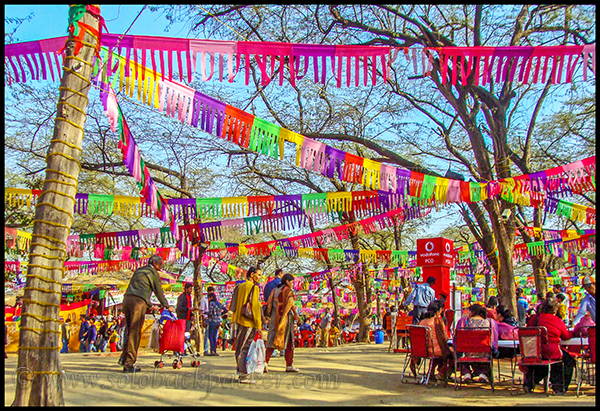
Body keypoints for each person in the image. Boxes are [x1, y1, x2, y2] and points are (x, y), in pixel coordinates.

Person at [120, 254, 175, 373]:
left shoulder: (139, 270)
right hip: (138, 303)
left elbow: (139, 288)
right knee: (135, 333)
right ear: (155, 263)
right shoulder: (152, 273)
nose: (161, 266)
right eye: (160, 264)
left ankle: (124, 358)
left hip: (127, 300)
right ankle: (129, 364)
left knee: (129, 330)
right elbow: (158, 291)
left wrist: (150, 305)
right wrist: (167, 306)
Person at [523, 297, 575, 395]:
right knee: (568, 361)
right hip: (551, 352)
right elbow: (566, 336)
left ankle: (529, 383)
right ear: (555, 309)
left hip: (534, 352)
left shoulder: (534, 318)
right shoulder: (557, 320)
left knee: (542, 364)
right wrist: (574, 332)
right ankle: (560, 386)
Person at [230, 266, 263, 384]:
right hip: (249, 322)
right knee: (245, 348)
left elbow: (232, 305)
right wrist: (259, 324)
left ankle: (241, 373)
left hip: (238, 320)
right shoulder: (254, 287)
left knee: (239, 348)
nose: (259, 277)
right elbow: (255, 307)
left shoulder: (239, 287)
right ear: (252, 274)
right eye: (258, 275)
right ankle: (243, 375)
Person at [265, 273, 301, 372]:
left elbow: (269, 304)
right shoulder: (288, 291)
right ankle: (289, 365)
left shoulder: (274, 290)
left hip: (274, 318)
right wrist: (295, 314)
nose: (293, 284)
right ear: (287, 281)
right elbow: (290, 303)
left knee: (271, 340)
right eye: (292, 282)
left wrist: (268, 315)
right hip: (286, 319)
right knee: (289, 341)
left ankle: (265, 363)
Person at [456, 304, 497, 383]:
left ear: (472, 312)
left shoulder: (465, 322)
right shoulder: (489, 322)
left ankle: (466, 373)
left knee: (461, 353)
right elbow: (493, 339)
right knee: (488, 354)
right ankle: (483, 373)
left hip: (467, 353)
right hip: (484, 352)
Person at [414, 300, 453, 381]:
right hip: (434, 350)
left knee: (437, 355)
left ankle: (430, 373)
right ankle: (442, 373)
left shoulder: (420, 322)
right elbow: (444, 338)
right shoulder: (438, 322)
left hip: (421, 351)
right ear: (438, 312)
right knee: (452, 354)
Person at [206, 291, 225, 356]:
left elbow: (210, 313)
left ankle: (212, 350)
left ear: (211, 297)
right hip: (218, 321)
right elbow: (225, 309)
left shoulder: (211, 303)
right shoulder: (219, 303)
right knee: (214, 336)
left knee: (211, 336)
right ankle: (214, 350)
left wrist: (205, 313)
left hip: (212, 321)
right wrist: (220, 314)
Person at [199, 286, 215, 356]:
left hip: (214, 319)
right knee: (207, 335)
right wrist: (203, 319)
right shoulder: (204, 299)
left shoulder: (215, 300)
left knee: (214, 335)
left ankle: (213, 350)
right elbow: (202, 310)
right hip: (207, 319)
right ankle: (206, 350)